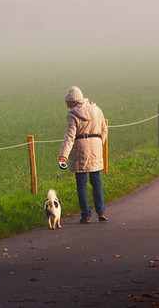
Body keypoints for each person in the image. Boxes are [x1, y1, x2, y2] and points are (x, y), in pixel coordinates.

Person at [58, 86, 108, 224]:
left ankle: (85, 214)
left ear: (73, 101)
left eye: (67, 102)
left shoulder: (73, 115)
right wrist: (99, 143)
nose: (67, 105)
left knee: (81, 183)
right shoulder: (97, 110)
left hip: (80, 149)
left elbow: (70, 136)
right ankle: (101, 211)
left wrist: (63, 156)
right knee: (96, 180)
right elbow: (104, 129)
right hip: (96, 148)